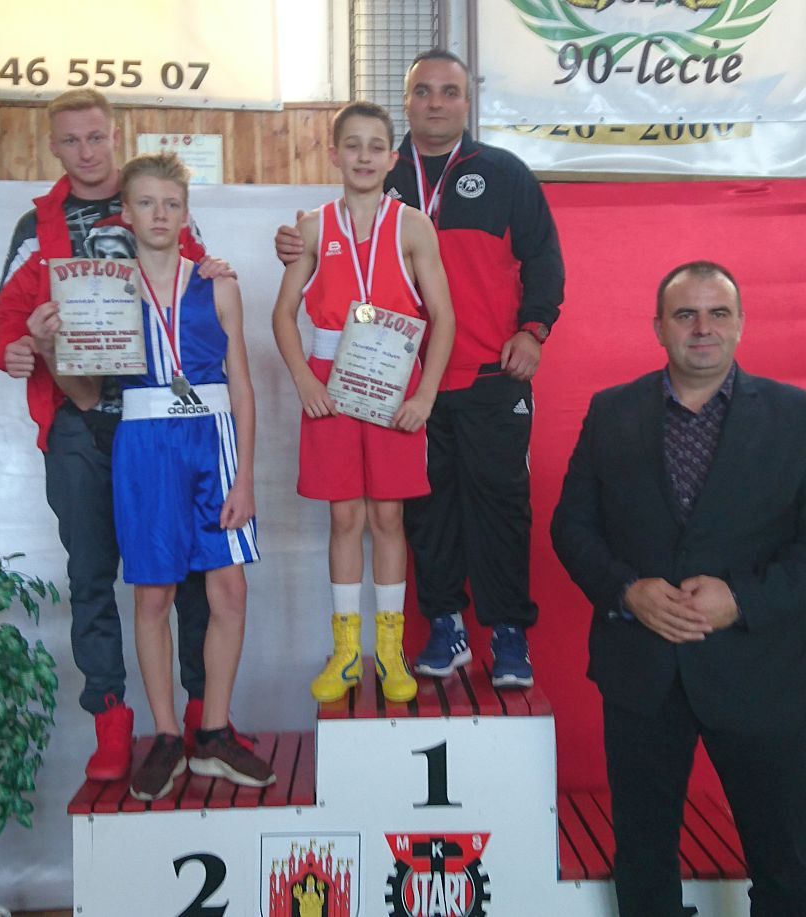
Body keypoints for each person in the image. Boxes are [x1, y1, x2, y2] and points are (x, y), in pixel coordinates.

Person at [276, 51, 564, 687]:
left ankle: (508, 633)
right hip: (394, 382)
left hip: (488, 371)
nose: (436, 103)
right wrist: (292, 246)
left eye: (449, 92)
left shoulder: (504, 173)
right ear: (405, 102)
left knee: (500, 505)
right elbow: (323, 254)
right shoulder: (381, 168)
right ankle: (444, 625)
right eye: (424, 92)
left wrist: (533, 329)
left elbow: (544, 257)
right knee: (422, 514)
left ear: (468, 101)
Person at [0, 88, 245, 782]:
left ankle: (202, 717)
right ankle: (113, 722)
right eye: (71, 140)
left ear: (115, 135)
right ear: (53, 147)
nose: (86, 151)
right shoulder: (36, 226)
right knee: (92, 575)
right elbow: (9, 320)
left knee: (187, 572)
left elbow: (196, 290)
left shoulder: (152, 202)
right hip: (80, 421)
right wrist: (17, 347)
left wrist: (217, 269)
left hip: (164, 422)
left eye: (96, 137)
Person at [551, 261, 806, 916]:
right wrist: (626, 591)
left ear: (741, 324)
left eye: (718, 313)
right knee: (642, 862)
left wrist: (741, 599)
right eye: (685, 314)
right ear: (658, 327)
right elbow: (571, 527)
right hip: (641, 673)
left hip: (761, 674)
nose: (702, 328)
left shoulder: (795, 417)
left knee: (787, 864)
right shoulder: (611, 412)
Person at [51, 152, 275, 800]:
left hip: (213, 441)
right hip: (145, 447)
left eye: (171, 204)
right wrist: (51, 344)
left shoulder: (218, 284)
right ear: (126, 212)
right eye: (147, 203)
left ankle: (214, 732)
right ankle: (168, 736)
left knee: (229, 591)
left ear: (185, 213)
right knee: (153, 596)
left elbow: (242, 384)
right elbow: (83, 392)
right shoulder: (102, 293)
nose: (159, 214)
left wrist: (246, 478)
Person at [272, 101, 455, 704]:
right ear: (333, 154)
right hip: (331, 382)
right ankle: (348, 651)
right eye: (352, 145)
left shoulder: (414, 227)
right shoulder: (312, 227)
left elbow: (444, 318)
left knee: (388, 518)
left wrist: (425, 395)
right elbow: (282, 314)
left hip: (392, 380)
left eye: (376, 147)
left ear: (392, 158)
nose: (364, 157)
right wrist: (304, 379)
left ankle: (391, 649)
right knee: (345, 517)